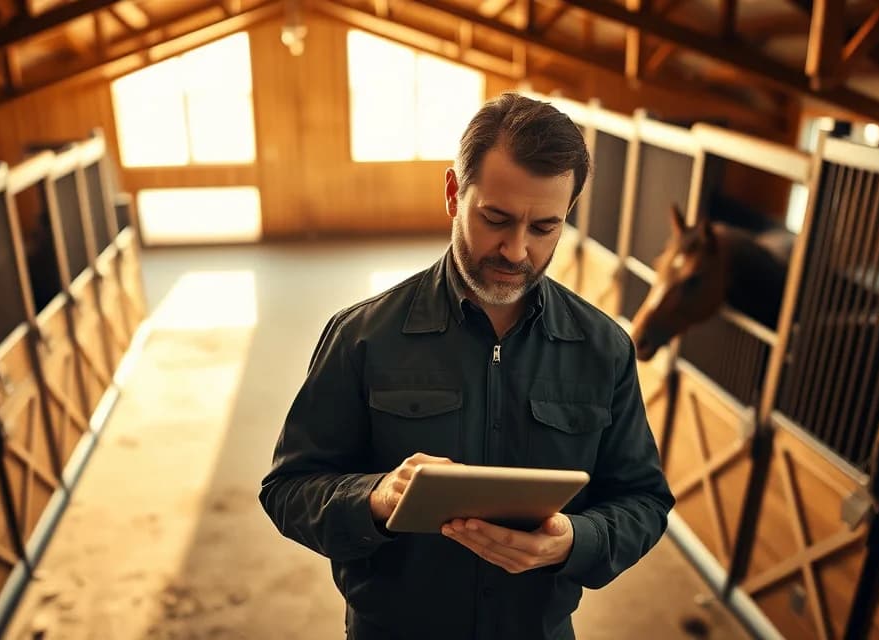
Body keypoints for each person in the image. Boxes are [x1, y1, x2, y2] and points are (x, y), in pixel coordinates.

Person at [259, 92, 675, 640]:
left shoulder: (605, 348)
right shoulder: (362, 336)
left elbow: (643, 499)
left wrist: (576, 539)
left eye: (544, 227)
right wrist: (378, 498)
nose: (516, 250)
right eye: (496, 219)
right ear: (454, 193)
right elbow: (288, 488)